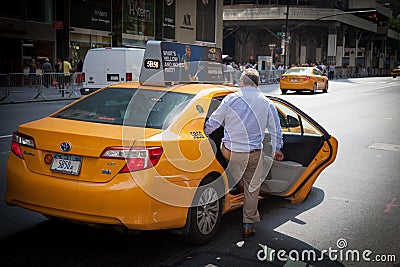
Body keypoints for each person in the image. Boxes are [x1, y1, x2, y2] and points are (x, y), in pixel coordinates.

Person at [204, 68, 284, 238]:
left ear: (241, 83)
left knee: (225, 152)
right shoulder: (267, 102)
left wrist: (204, 133)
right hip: (254, 153)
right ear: (258, 84)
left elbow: (214, 122)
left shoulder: (231, 99)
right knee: (252, 188)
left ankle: (235, 180)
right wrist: (277, 149)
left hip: (230, 152)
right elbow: (275, 129)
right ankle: (248, 224)